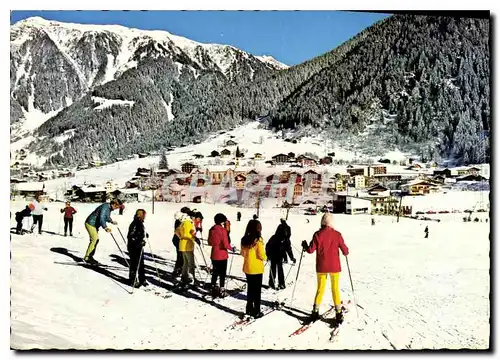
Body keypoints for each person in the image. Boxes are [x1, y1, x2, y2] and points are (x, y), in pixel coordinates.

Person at [301, 213, 349, 324]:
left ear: (322, 222)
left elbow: (310, 250)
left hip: (321, 266)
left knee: (320, 289)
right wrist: (346, 251)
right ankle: (338, 313)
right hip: (334, 267)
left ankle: (315, 311)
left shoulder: (317, 234)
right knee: (335, 289)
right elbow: (345, 251)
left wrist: (305, 246)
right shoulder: (337, 234)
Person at [241, 219, 267, 318]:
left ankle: (249, 309)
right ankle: (256, 311)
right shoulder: (258, 240)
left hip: (247, 267)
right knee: (257, 291)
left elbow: (242, 253)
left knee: (250, 290)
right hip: (256, 268)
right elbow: (261, 254)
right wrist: (266, 257)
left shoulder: (244, 239)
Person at [83, 199, 121, 264]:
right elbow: (102, 217)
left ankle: (90, 256)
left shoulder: (108, 208)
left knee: (96, 240)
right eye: (117, 207)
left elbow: (107, 216)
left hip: (94, 225)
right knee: (94, 239)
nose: (116, 209)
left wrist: (111, 221)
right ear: (114, 204)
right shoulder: (105, 207)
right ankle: (87, 257)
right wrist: (105, 227)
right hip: (90, 223)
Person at [207, 213, 234, 298]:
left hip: (214, 254)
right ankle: (222, 289)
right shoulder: (223, 230)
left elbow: (209, 242)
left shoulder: (211, 229)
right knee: (222, 273)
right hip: (222, 255)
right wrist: (231, 248)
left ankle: (212, 287)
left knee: (215, 272)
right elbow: (226, 244)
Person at [266, 224, 296, 290]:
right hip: (273, 255)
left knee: (279, 269)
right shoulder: (274, 237)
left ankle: (280, 283)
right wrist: (268, 254)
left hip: (279, 256)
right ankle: (272, 283)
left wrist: (292, 258)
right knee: (273, 269)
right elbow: (268, 246)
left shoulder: (285, 239)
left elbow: (288, 249)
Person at [176, 209, 200, 287]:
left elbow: (177, 231)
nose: (194, 218)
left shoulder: (183, 222)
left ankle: (184, 277)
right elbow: (187, 234)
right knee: (191, 263)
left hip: (183, 245)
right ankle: (191, 279)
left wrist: (181, 237)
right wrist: (194, 238)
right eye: (194, 217)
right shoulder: (188, 223)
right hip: (187, 246)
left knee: (185, 263)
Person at [127, 209, 148, 288]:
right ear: (140, 215)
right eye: (144, 215)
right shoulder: (135, 223)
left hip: (138, 246)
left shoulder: (139, 222)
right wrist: (139, 242)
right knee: (134, 264)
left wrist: (145, 235)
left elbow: (139, 232)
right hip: (134, 247)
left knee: (141, 263)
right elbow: (131, 236)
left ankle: (142, 279)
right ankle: (133, 280)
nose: (145, 217)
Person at [172, 207, 191, 277]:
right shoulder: (180, 221)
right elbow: (179, 231)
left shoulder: (183, 220)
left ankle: (179, 269)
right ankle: (177, 270)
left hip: (179, 240)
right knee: (180, 256)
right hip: (178, 240)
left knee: (181, 256)